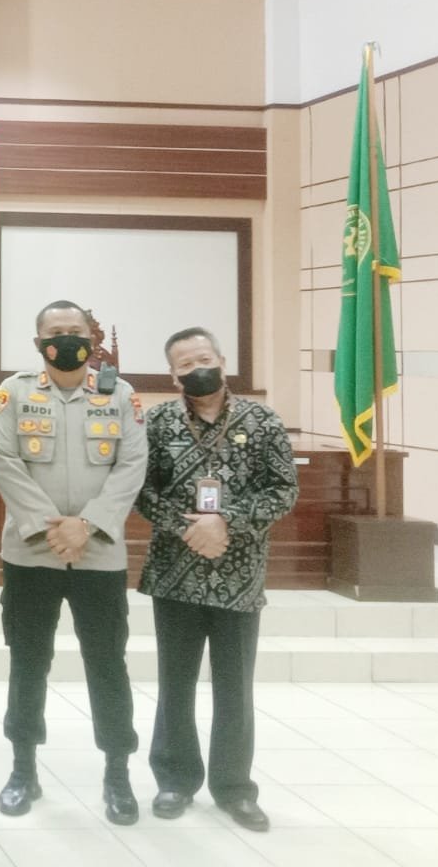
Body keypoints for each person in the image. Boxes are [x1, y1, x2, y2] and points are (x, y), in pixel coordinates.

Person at [0, 299, 146, 826]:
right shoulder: (15, 393)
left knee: (108, 663)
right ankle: (22, 769)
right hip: (32, 551)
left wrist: (89, 525)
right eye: (56, 332)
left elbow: (132, 464)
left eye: (76, 331)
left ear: (91, 339)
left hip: (99, 553)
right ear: (39, 343)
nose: (67, 339)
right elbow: (3, 460)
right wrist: (50, 526)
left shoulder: (119, 395)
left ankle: (117, 774)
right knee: (28, 661)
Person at [139, 326, 297, 833]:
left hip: (239, 575)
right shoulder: (158, 422)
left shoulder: (262, 420)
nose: (197, 368)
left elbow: (283, 490)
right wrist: (191, 529)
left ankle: (234, 788)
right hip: (175, 573)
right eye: (185, 364)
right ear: (173, 374)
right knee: (175, 683)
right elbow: (141, 491)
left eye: (203, 358)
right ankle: (175, 780)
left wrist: (225, 521)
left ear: (223, 361)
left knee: (235, 688)